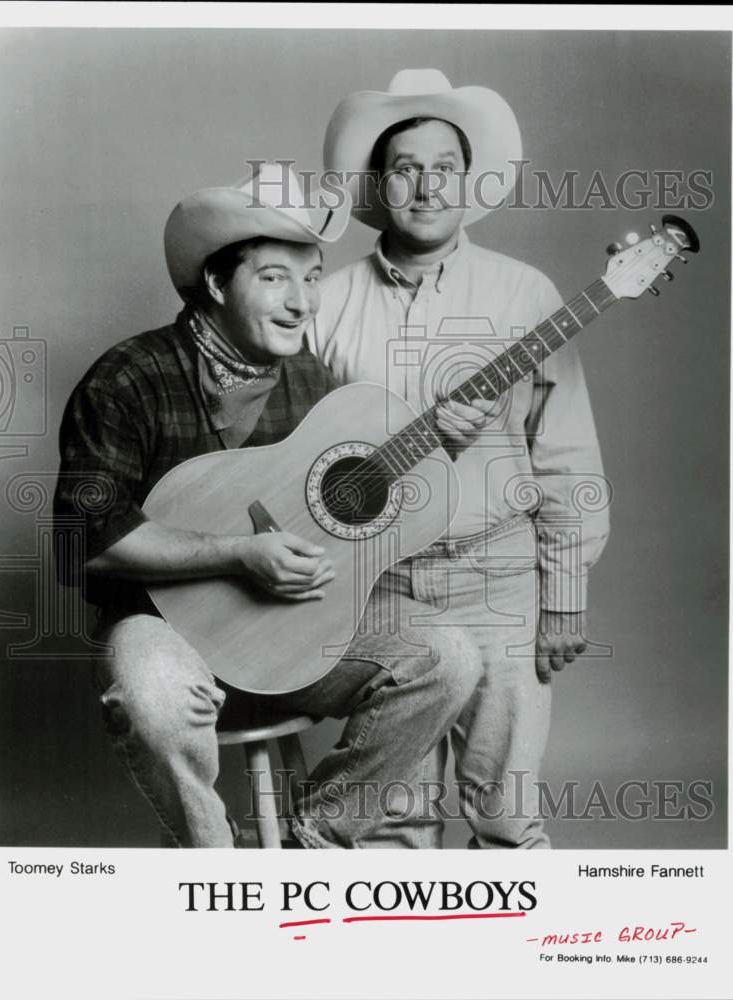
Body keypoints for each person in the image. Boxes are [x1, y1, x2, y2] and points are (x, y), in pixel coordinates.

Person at [53, 162, 484, 848]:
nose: (301, 303)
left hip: (291, 640)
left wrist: (440, 444)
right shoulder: (128, 377)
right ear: (218, 283)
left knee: (447, 656)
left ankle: (314, 840)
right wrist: (238, 554)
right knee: (154, 700)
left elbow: (351, 506)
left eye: (311, 277)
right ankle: (217, 864)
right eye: (274, 277)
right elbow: (90, 541)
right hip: (163, 630)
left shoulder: (312, 383)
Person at [309, 69, 611, 848]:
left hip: (498, 575)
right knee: (390, 825)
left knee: (505, 818)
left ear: (467, 181)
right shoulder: (325, 302)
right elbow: (290, 455)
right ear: (379, 182)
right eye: (406, 167)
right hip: (377, 588)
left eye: (443, 166)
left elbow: (566, 454)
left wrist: (565, 589)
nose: (426, 185)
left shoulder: (524, 293)